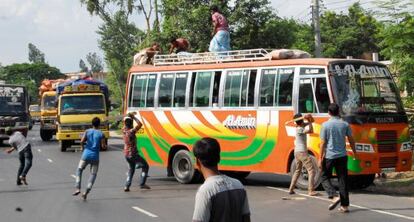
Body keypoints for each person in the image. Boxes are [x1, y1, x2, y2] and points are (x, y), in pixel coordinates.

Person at [192, 137, 250, 222]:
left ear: (197, 162)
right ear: (219, 158)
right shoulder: (239, 185)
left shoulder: (205, 191)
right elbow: (246, 218)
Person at [319, 103, 357, 213]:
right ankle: (344, 206)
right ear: (338, 111)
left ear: (329, 113)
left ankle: (334, 196)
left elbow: (322, 143)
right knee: (342, 179)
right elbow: (351, 140)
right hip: (342, 156)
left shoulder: (325, 125)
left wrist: (320, 158)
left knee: (324, 176)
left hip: (330, 156)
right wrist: (354, 153)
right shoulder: (345, 124)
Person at [73, 117, 106, 200]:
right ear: (99, 124)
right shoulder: (101, 133)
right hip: (95, 157)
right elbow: (103, 146)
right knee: (93, 174)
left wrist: (82, 147)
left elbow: (81, 141)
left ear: (92, 124)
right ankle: (86, 192)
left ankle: (77, 188)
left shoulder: (87, 131)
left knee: (79, 170)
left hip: (85, 155)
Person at [288, 113, 319, 196]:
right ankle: (310, 190)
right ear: (301, 121)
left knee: (297, 171)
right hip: (302, 152)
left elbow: (312, 121)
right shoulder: (300, 129)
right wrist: (308, 122)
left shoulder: (298, 126)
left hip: (297, 152)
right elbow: (311, 130)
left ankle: (291, 189)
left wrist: (309, 118)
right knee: (311, 170)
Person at [122, 112, 150, 192]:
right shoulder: (131, 131)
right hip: (133, 154)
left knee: (131, 170)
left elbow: (125, 123)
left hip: (126, 155)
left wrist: (128, 117)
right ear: (131, 124)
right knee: (145, 166)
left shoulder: (123, 130)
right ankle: (142, 184)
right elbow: (140, 124)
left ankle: (126, 186)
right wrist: (133, 117)